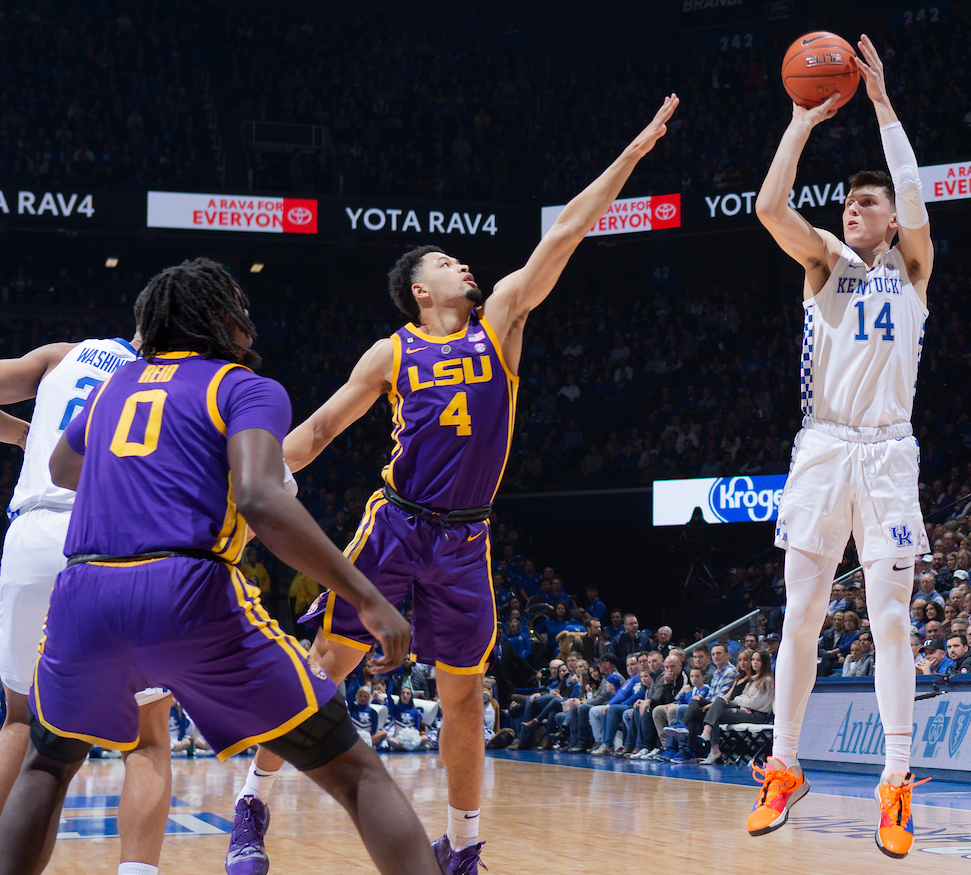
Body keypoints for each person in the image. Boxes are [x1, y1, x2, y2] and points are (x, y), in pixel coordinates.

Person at [226, 96, 679, 875]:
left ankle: (464, 847)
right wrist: (252, 480)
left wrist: (632, 155)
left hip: (467, 538)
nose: (460, 264)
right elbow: (324, 428)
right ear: (419, 293)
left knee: (464, 698)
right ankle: (252, 803)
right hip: (397, 524)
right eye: (444, 262)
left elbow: (565, 228)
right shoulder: (391, 352)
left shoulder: (500, 319)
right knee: (323, 668)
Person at [0, 259, 438, 875]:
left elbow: (62, 470)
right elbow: (262, 499)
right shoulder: (243, 387)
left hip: (84, 593)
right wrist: (365, 595)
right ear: (219, 318)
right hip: (187, 592)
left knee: (47, 764)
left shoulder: (110, 389)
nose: (248, 322)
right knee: (354, 771)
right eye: (240, 308)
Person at [749, 35, 933, 856]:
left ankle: (895, 781)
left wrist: (887, 109)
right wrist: (799, 123)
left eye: (871, 204)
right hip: (825, 448)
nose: (856, 210)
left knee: (890, 619)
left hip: (890, 454)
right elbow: (768, 208)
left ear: (894, 218)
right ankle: (783, 764)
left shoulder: (915, 267)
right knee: (804, 612)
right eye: (851, 203)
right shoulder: (824, 262)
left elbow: (917, 198)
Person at [0, 327, 183, 875]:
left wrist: (22, 436)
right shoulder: (166, 381)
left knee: (17, 722)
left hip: (31, 537)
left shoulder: (61, 356)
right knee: (146, 738)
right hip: (111, 542)